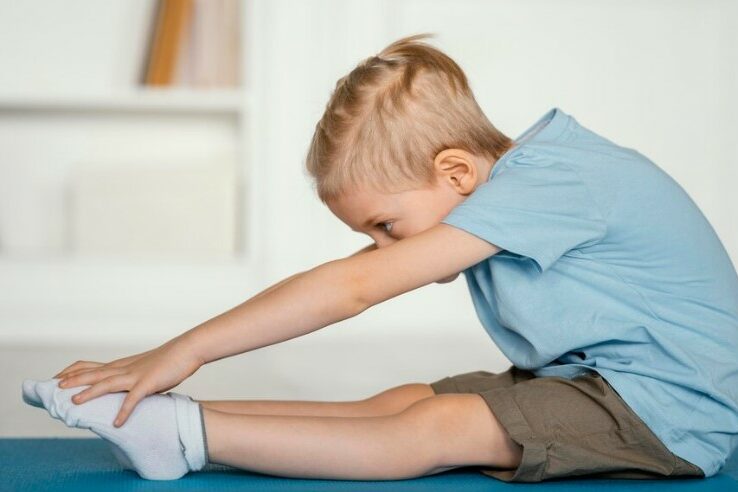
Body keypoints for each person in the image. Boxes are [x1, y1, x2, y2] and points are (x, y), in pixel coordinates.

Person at [23, 33, 737, 482]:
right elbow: (364, 274)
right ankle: (172, 420)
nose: (384, 249)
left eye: (388, 226)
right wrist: (165, 379)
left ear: (456, 174)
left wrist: (185, 346)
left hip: (673, 413)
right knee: (405, 401)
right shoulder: (522, 181)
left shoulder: (555, 180)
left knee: (434, 430)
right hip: (593, 380)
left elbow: (355, 289)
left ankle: (187, 435)